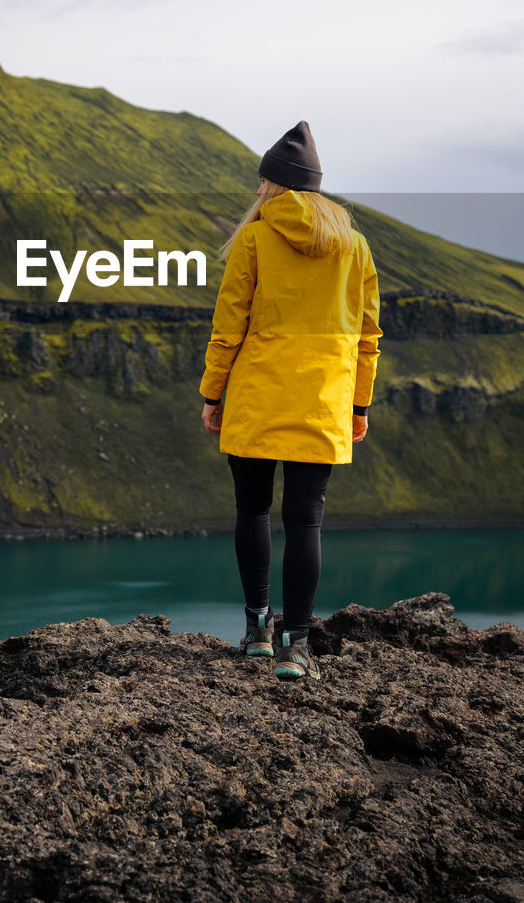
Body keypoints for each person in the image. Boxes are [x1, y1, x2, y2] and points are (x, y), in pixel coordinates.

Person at [199, 120, 382, 682]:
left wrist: (212, 393)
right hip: (323, 399)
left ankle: (257, 629)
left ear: (272, 186)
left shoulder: (254, 239)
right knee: (305, 521)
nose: (256, 192)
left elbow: (229, 325)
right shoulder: (354, 246)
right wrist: (358, 405)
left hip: (256, 395)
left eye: (261, 184)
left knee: (252, 509)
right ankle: (297, 647)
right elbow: (367, 335)